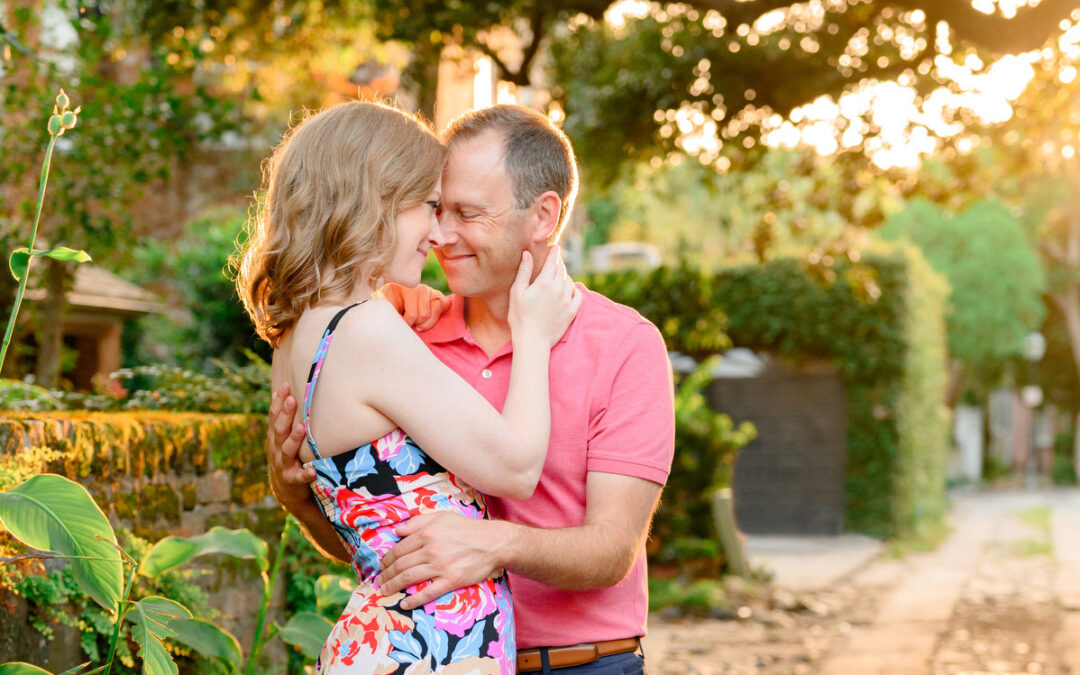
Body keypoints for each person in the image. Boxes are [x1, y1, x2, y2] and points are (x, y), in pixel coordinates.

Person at [268, 104, 676, 674]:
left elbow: (612, 550)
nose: (442, 235)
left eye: (466, 213)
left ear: (543, 216)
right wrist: (300, 501)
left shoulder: (623, 344)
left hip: (583, 666)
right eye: (436, 207)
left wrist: (495, 544)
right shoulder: (403, 333)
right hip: (447, 653)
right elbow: (384, 545)